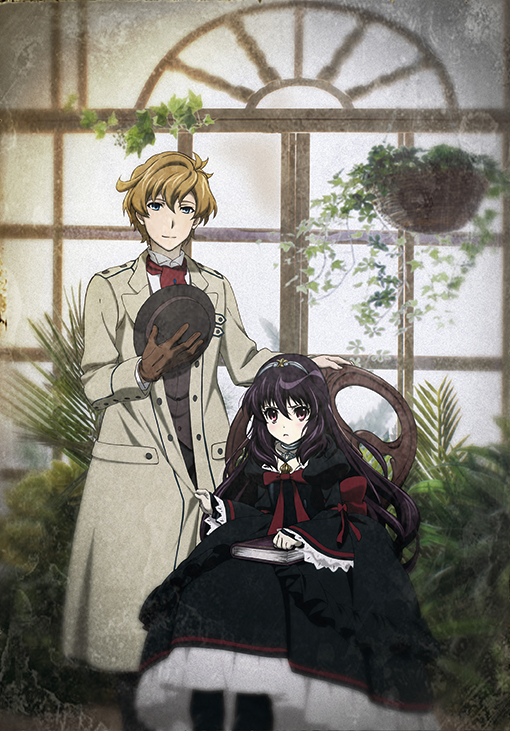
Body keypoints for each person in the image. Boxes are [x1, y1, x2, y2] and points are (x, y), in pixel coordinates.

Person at [62, 152, 349, 729]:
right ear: (139, 212)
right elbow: (92, 382)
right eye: (158, 206)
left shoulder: (215, 287)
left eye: (185, 209)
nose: (171, 220)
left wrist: (301, 363)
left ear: (198, 216)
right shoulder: (107, 288)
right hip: (134, 470)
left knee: (205, 623)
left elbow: (244, 362)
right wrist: (139, 370)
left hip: (208, 466)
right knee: (133, 623)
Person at [136, 354, 440, 731]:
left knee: (315, 608)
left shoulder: (331, 462)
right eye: (272, 414)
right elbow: (253, 510)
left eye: (298, 412)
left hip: (319, 556)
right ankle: (221, 704)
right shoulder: (258, 463)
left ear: (315, 413)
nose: (284, 424)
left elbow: (349, 514)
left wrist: (304, 535)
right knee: (210, 587)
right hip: (261, 552)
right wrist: (222, 509)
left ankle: (309, 710)